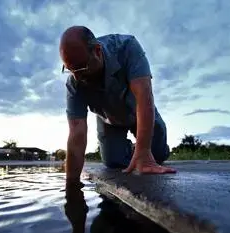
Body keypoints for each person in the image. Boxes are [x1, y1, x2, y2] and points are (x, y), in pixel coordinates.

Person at [59, 26, 176, 182]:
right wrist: (71, 187)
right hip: (109, 120)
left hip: (139, 110)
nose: (77, 77)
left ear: (97, 51)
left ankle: (141, 148)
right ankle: (130, 151)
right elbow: (76, 133)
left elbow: (144, 95)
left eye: (82, 67)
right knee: (112, 162)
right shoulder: (74, 82)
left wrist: (143, 151)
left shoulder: (127, 47)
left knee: (157, 155)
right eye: (70, 69)